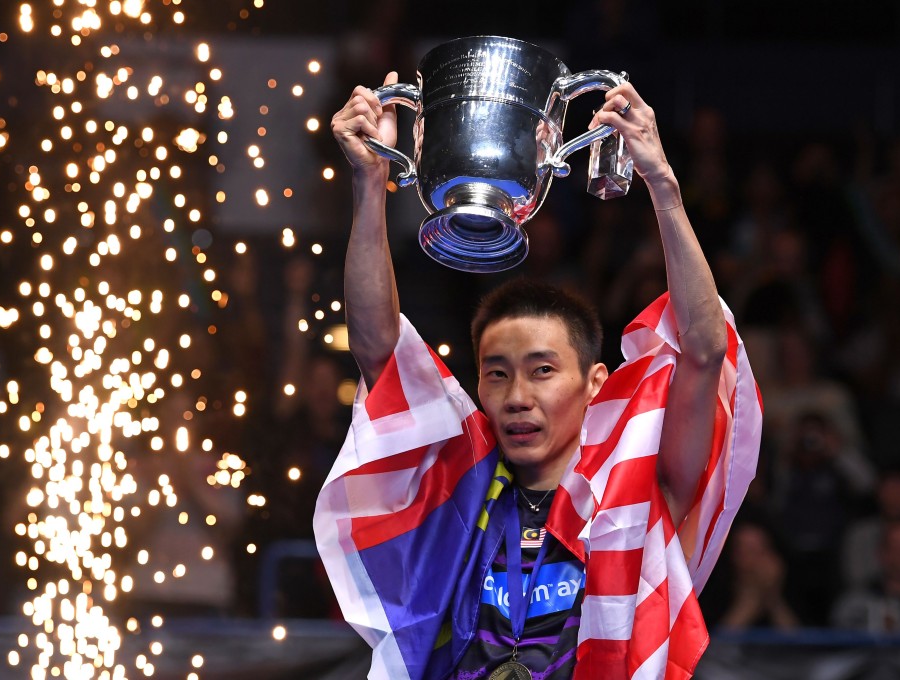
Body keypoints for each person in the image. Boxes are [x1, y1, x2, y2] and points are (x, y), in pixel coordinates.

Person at [315, 71, 762, 679]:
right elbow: (376, 347)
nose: (517, 397)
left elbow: (705, 352)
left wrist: (662, 183)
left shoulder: (637, 490)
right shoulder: (459, 480)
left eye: (543, 371)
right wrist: (370, 184)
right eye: (496, 375)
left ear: (597, 383)